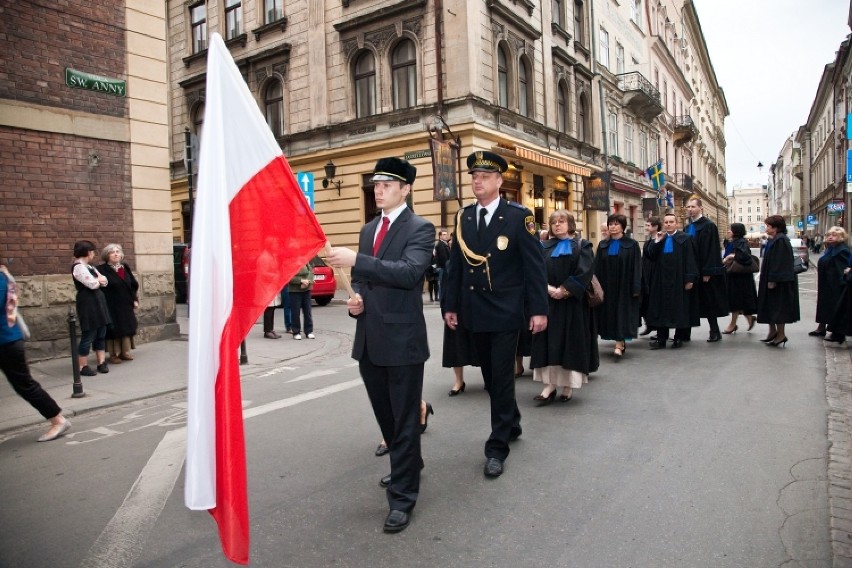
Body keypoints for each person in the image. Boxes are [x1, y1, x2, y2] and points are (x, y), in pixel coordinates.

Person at [326, 156, 434, 533]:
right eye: (375, 184)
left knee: (404, 419)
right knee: (387, 418)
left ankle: (403, 496)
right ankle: (408, 464)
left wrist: (359, 259)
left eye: (387, 184)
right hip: (370, 338)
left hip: (402, 341)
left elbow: (408, 274)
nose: (379, 189)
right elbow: (365, 282)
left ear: (405, 188)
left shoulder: (421, 228)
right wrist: (357, 302)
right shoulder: (368, 228)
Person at [443, 150, 548, 479]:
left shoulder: (519, 217)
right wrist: (449, 305)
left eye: (485, 176)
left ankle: (496, 446)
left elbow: (534, 267)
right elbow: (455, 267)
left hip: (505, 310)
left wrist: (539, 310)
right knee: (490, 377)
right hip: (474, 310)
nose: (478, 181)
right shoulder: (464, 218)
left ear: (499, 182)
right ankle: (512, 420)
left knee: (501, 377)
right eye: (474, 176)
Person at [530, 211, 597, 403]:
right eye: (554, 222)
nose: (557, 225)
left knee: (570, 345)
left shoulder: (582, 246)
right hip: (548, 302)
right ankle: (548, 386)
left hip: (573, 305)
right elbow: (535, 272)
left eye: (561, 222)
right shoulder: (542, 247)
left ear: (570, 224)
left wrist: (565, 290)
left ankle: (568, 386)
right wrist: (549, 290)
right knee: (548, 344)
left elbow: (585, 272)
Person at [0, 264, 71, 442]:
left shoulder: (1, 278)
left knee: (24, 384)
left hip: (6, 341)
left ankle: (57, 419)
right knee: (24, 384)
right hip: (7, 339)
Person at [645, 212, 698, 349]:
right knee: (661, 309)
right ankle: (661, 339)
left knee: (679, 309)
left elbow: (691, 260)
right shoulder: (659, 238)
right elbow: (650, 256)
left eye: (671, 222)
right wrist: (656, 241)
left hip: (679, 279)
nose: (668, 224)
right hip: (661, 280)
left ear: (676, 223)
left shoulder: (685, 238)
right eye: (666, 222)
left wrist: (690, 278)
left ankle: (678, 338)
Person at [594, 213, 641, 358]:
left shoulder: (632, 245)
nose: (613, 227)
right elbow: (597, 267)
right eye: (611, 224)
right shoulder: (602, 245)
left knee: (622, 314)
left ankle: (619, 343)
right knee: (609, 314)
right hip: (607, 286)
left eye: (616, 224)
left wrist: (636, 286)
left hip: (624, 286)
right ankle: (616, 339)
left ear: (622, 226)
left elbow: (637, 267)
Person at [683, 196, 728, 342]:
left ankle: (714, 331)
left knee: (708, 302)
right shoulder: (687, 227)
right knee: (688, 302)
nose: (690, 209)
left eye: (693, 207)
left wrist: (708, 271)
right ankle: (685, 333)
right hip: (691, 269)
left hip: (703, 269)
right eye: (688, 207)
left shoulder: (708, 226)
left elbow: (712, 250)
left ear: (700, 208)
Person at [756, 215, 799, 347]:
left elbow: (779, 262)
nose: (766, 228)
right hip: (770, 278)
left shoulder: (781, 240)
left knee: (779, 308)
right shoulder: (774, 239)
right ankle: (772, 332)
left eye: (768, 226)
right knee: (770, 307)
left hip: (779, 282)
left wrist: (773, 279)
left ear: (776, 228)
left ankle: (781, 334)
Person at [72, 240, 111, 375]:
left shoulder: (90, 267)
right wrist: (99, 280)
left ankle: (101, 362)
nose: (94, 254)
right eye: (93, 251)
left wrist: (99, 280)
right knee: (88, 334)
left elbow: (105, 281)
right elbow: (92, 284)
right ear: (88, 252)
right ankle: (83, 366)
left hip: (98, 301)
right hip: (88, 303)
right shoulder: (78, 267)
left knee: (101, 332)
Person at [97, 244, 139, 362]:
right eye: (112, 252)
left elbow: (132, 285)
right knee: (113, 329)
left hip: (125, 303)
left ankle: (123, 352)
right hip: (111, 305)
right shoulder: (101, 269)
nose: (115, 254)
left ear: (121, 255)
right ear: (107, 255)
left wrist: (134, 299)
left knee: (126, 327)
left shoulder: (124, 267)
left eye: (117, 252)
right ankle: (113, 355)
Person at [809, 226, 850, 338]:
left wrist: (841, 284)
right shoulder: (830, 249)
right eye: (829, 235)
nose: (830, 237)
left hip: (835, 285)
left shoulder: (842, 250)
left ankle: (837, 332)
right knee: (824, 306)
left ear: (841, 237)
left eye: (834, 235)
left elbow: (843, 269)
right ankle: (822, 327)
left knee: (835, 307)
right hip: (826, 284)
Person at [720, 223, 758, 333]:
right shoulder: (732, 242)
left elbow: (745, 257)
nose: (728, 231)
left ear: (736, 231)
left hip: (740, 277)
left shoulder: (741, 242)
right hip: (732, 275)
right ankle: (749, 318)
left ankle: (733, 324)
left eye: (730, 230)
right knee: (738, 300)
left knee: (736, 300)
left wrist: (731, 256)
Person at [639, 217, 661, 337]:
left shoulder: (659, 239)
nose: (646, 227)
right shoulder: (648, 240)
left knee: (654, 302)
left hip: (655, 274)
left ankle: (658, 328)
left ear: (655, 227)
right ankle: (649, 325)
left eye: (648, 225)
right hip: (646, 273)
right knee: (645, 301)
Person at [287, 263, 314, 340]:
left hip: (306, 289)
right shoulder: (290, 262)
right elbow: (288, 277)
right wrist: (300, 281)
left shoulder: (306, 260)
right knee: (295, 312)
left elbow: (311, 272)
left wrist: (308, 281)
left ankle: (309, 331)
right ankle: (296, 332)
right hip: (294, 291)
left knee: (307, 311)